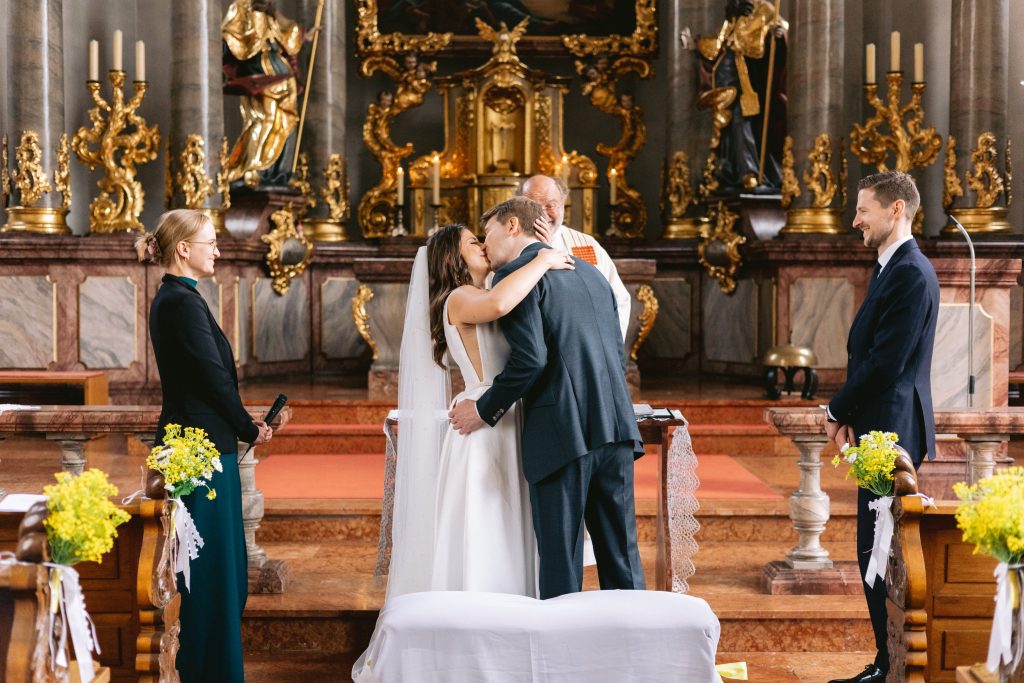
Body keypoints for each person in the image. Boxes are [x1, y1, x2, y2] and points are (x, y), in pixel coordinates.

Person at [352, 223, 574, 681]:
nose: (483, 246)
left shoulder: (488, 286)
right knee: (484, 531)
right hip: (484, 427)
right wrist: (543, 258)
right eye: (474, 242)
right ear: (453, 259)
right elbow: (498, 305)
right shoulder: (459, 298)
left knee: (510, 530)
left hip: (505, 421)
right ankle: (474, 654)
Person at [449, 196, 645, 599]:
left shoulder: (519, 278)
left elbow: (531, 361)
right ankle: (633, 652)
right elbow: (615, 350)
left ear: (512, 226)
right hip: (617, 426)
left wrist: (485, 410)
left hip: (563, 434)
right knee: (622, 556)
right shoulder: (592, 274)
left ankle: (564, 656)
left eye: (487, 232)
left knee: (560, 561)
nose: (485, 244)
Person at [135, 209, 273, 682]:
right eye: (210, 242)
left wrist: (242, 423)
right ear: (183, 250)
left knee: (221, 571)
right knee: (212, 574)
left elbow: (210, 377)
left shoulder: (181, 298)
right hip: (200, 452)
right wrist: (249, 428)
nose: (217, 250)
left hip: (204, 444)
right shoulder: (179, 302)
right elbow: (213, 380)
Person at [824, 172, 939, 683]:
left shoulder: (911, 272)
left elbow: (886, 362)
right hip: (878, 426)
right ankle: (886, 662)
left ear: (896, 210)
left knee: (882, 552)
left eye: (863, 209)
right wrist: (851, 413)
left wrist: (835, 409)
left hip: (891, 435)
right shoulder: (890, 267)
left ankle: (890, 667)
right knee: (876, 550)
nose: (856, 220)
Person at [685, 0, 788, 192]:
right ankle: (729, 170)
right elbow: (719, 43)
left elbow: (779, 32)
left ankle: (749, 171)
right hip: (727, 76)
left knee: (744, 120)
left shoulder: (766, 9)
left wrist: (779, 35)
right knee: (726, 124)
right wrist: (697, 44)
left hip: (749, 78)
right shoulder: (736, 11)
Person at [518, 174, 631, 340]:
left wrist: (608, 346)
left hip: (585, 345)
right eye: (533, 206)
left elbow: (618, 298)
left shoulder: (585, 245)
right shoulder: (508, 246)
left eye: (551, 205)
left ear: (563, 205)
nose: (542, 214)